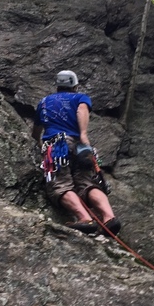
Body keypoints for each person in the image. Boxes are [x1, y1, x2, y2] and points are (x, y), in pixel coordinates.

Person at [32, 70, 121, 236]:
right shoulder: (80, 98)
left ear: (58, 86)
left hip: (56, 145)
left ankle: (84, 218)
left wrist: (41, 146)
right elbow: (81, 110)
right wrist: (83, 135)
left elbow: (36, 132)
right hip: (82, 147)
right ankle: (109, 217)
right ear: (75, 85)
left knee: (59, 184)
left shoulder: (44, 102)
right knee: (88, 182)